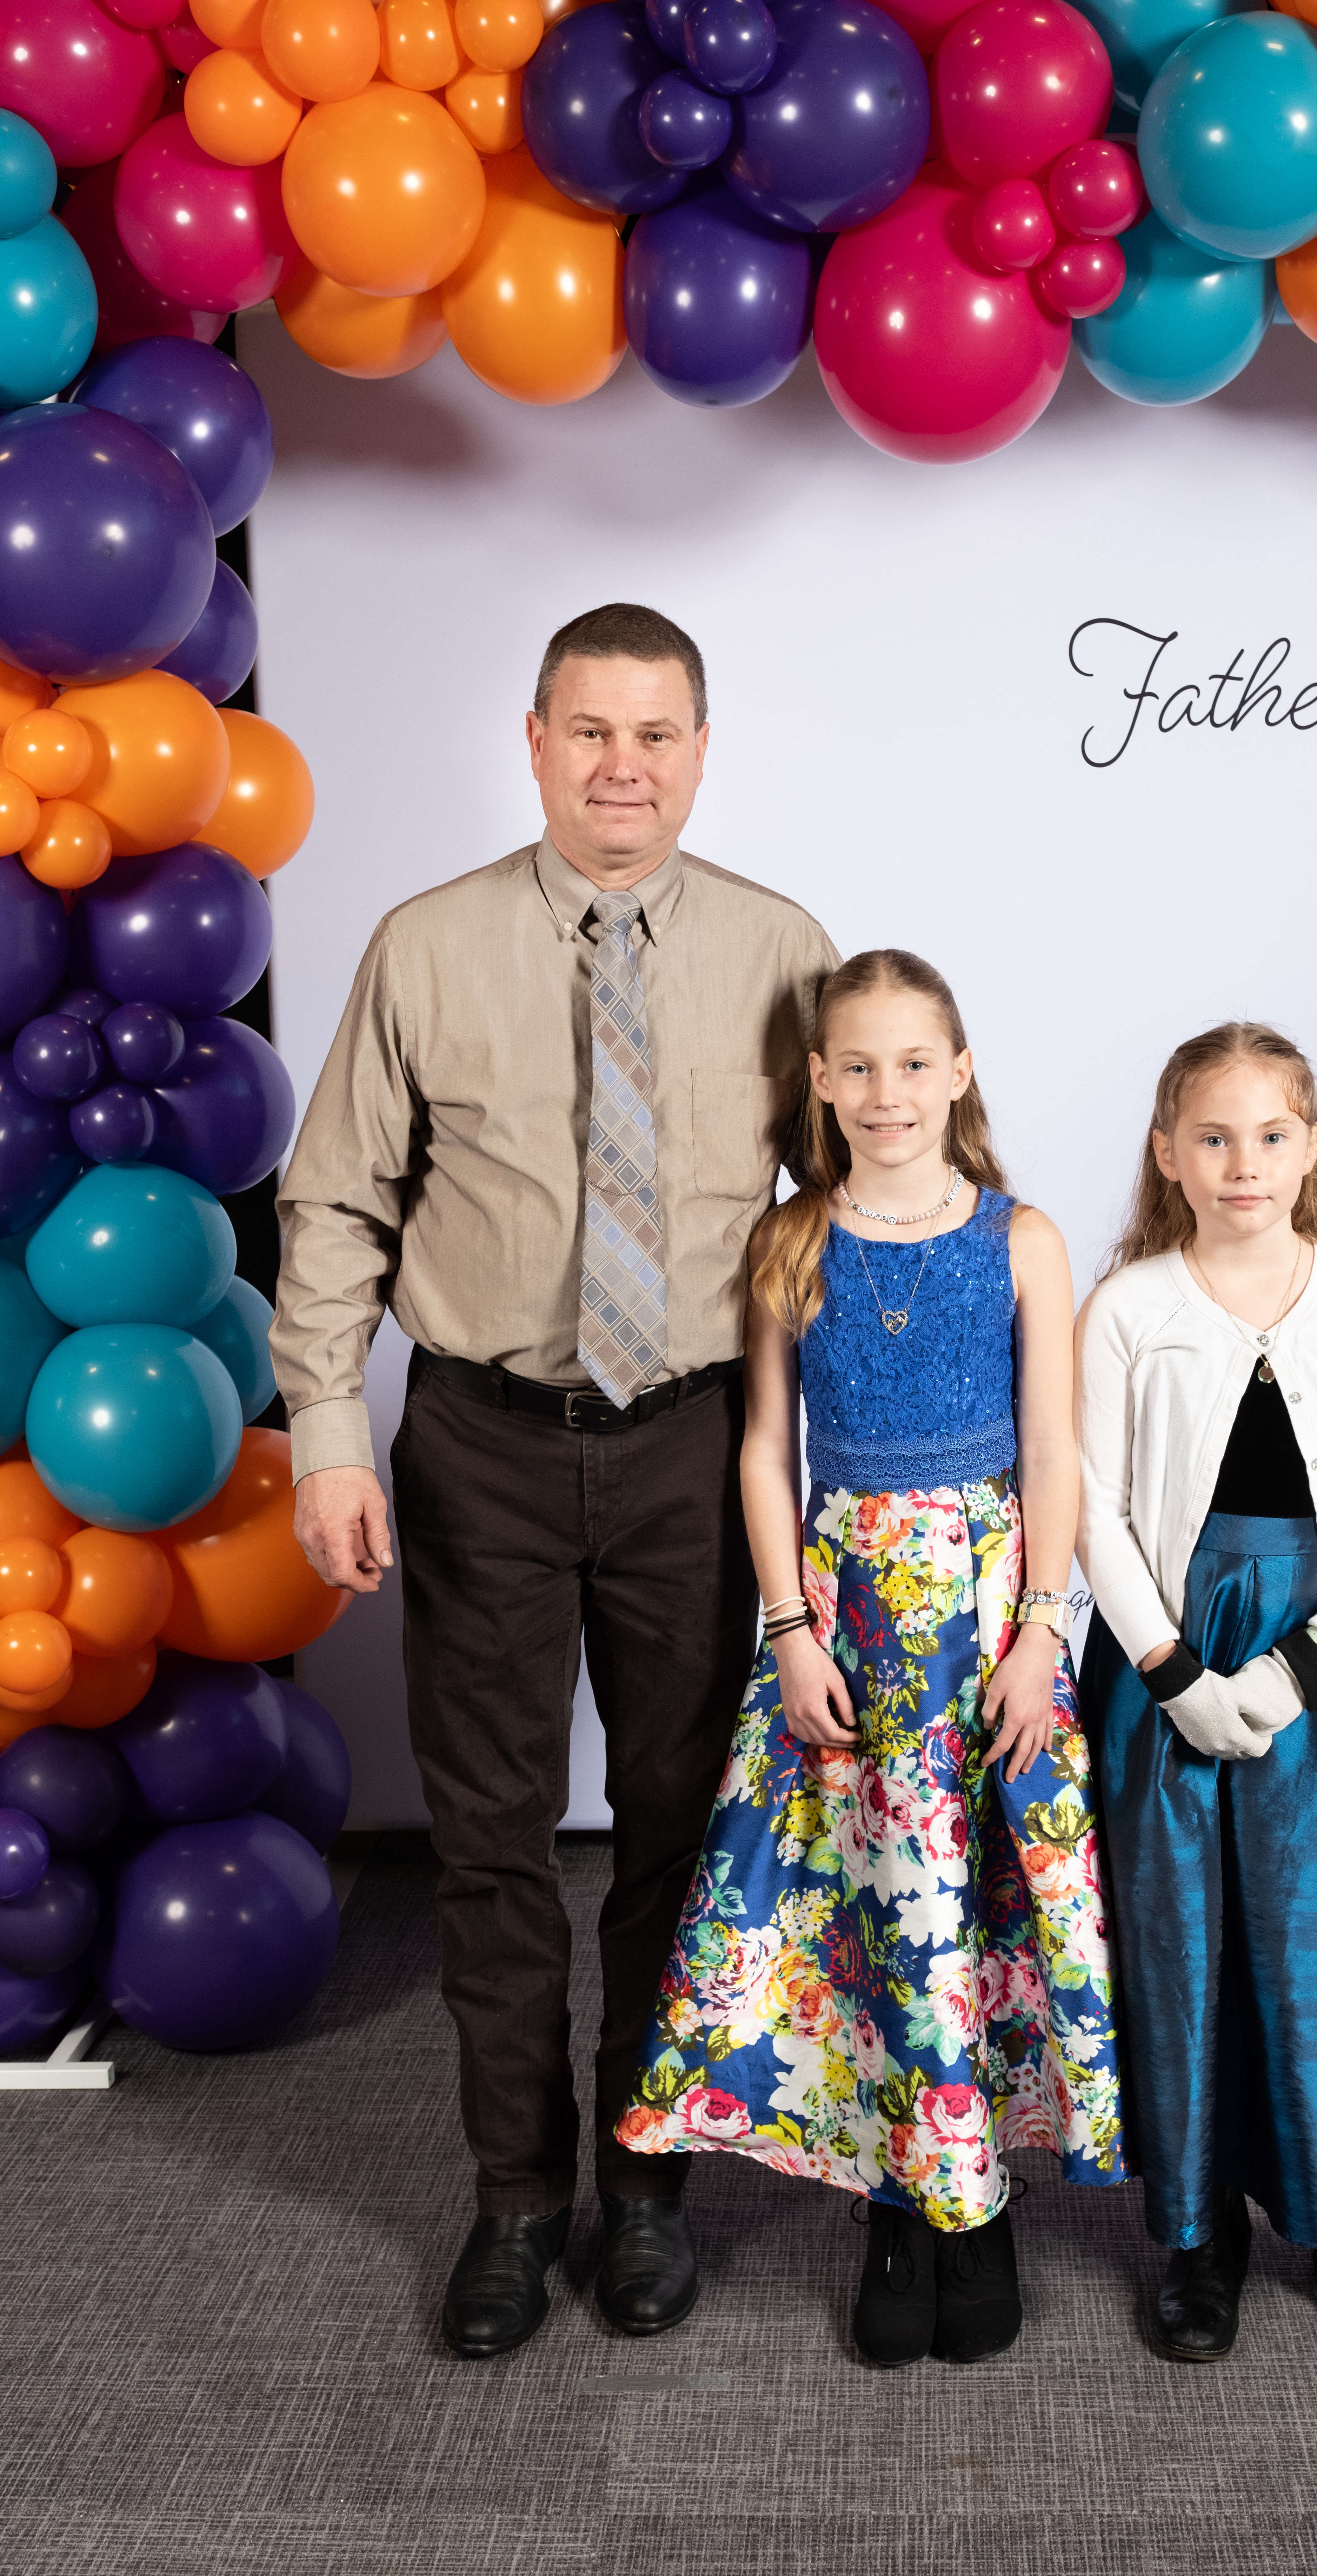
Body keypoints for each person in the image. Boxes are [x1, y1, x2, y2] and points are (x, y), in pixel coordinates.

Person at [271, 603, 840, 2359]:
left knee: (676, 1831)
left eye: (655, 734)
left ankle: (646, 2185)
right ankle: (516, 2199)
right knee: (493, 1843)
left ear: (700, 751)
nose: (621, 767)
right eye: (588, 730)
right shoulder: (425, 944)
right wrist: (327, 1434)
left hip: (690, 1450)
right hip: (481, 1448)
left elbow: (854, 1204)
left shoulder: (780, 950)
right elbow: (335, 1201)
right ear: (532, 743)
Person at [618, 951, 1127, 2370]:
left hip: (989, 1615)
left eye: (913, 1062)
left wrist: (1041, 1628)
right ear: (820, 1081)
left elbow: (1051, 1448)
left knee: (978, 1903)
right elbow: (762, 1449)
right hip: (846, 1615)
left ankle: (980, 2208)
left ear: (958, 1071)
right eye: (857, 1065)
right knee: (870, 1906)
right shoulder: (791, 1240)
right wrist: (788, 1628)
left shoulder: (1020, 1237)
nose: (886, 1090)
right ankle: (903, 2203)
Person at [1075, 1021, 1317, 2367]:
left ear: (1310, 1148)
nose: (1243, 1162)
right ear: (1167, 1153)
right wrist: (1171, 1670)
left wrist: (1304, 1663)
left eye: (1271, 1134)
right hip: (1167, 1660)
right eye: (1213, 1136)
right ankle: (1198, 2235)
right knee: (1182, 1941)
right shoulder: (1128, 1309)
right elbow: (1094, 1512)